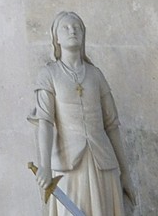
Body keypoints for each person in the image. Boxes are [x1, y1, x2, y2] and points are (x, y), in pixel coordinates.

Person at [32, 11, 135, 214]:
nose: (72, 31)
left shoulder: (95, 75)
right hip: (68, 165)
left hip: (103, 161)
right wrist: (44, 166)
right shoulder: (49, 74)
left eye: (77, 27)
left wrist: (126, 174)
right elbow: (45, 122)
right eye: (66, 28)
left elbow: (112, 125)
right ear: (57, 38)